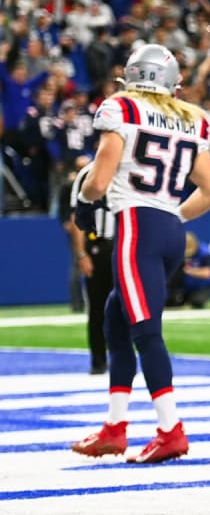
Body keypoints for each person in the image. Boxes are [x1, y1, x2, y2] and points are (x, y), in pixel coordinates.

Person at [70, 43, 210, 463]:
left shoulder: (121, 108)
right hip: (169, 231)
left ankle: (171, 430)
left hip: (137, 228)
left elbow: (99, 181)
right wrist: (170, 215)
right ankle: (115, 428)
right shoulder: (191, 118)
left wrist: (83, 204)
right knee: (115, 321)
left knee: (145, 332)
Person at [68, 158, 113, 374]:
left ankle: (123, 359)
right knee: (97, 308)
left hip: (126, 243)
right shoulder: (88, 173)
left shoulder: (131, 167)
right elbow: (76, 217)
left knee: (129, 309)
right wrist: (81, 253)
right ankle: (99, 361)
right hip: (99, 245)